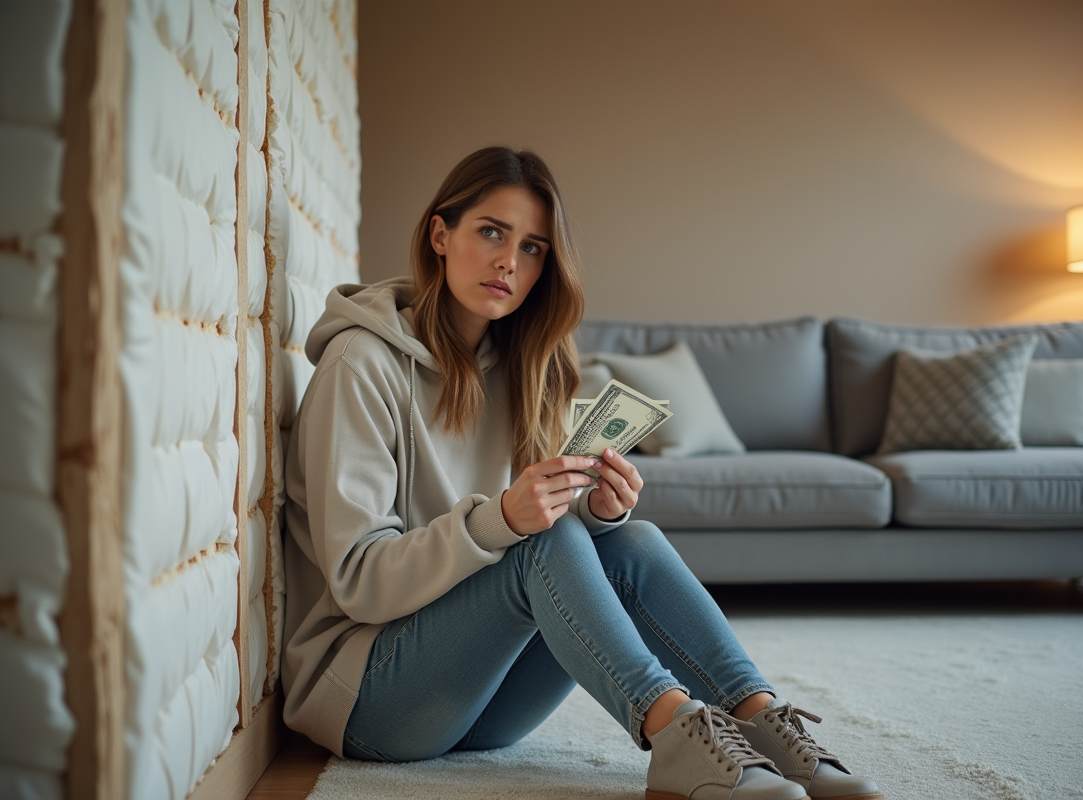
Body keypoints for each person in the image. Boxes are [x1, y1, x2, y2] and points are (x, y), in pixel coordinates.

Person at [281, 146, 882, 800]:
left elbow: (540, 560)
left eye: (534, 247)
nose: (511, 261)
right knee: (540, 538)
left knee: (632, 541)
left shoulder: (522, 368)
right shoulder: (360, 364)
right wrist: (503, 520)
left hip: (479, 702)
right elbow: (359, 583)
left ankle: (761, 721)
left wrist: (596, 514)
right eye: (491, 232)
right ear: (440, 234)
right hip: (369, 697)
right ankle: (676, 735)